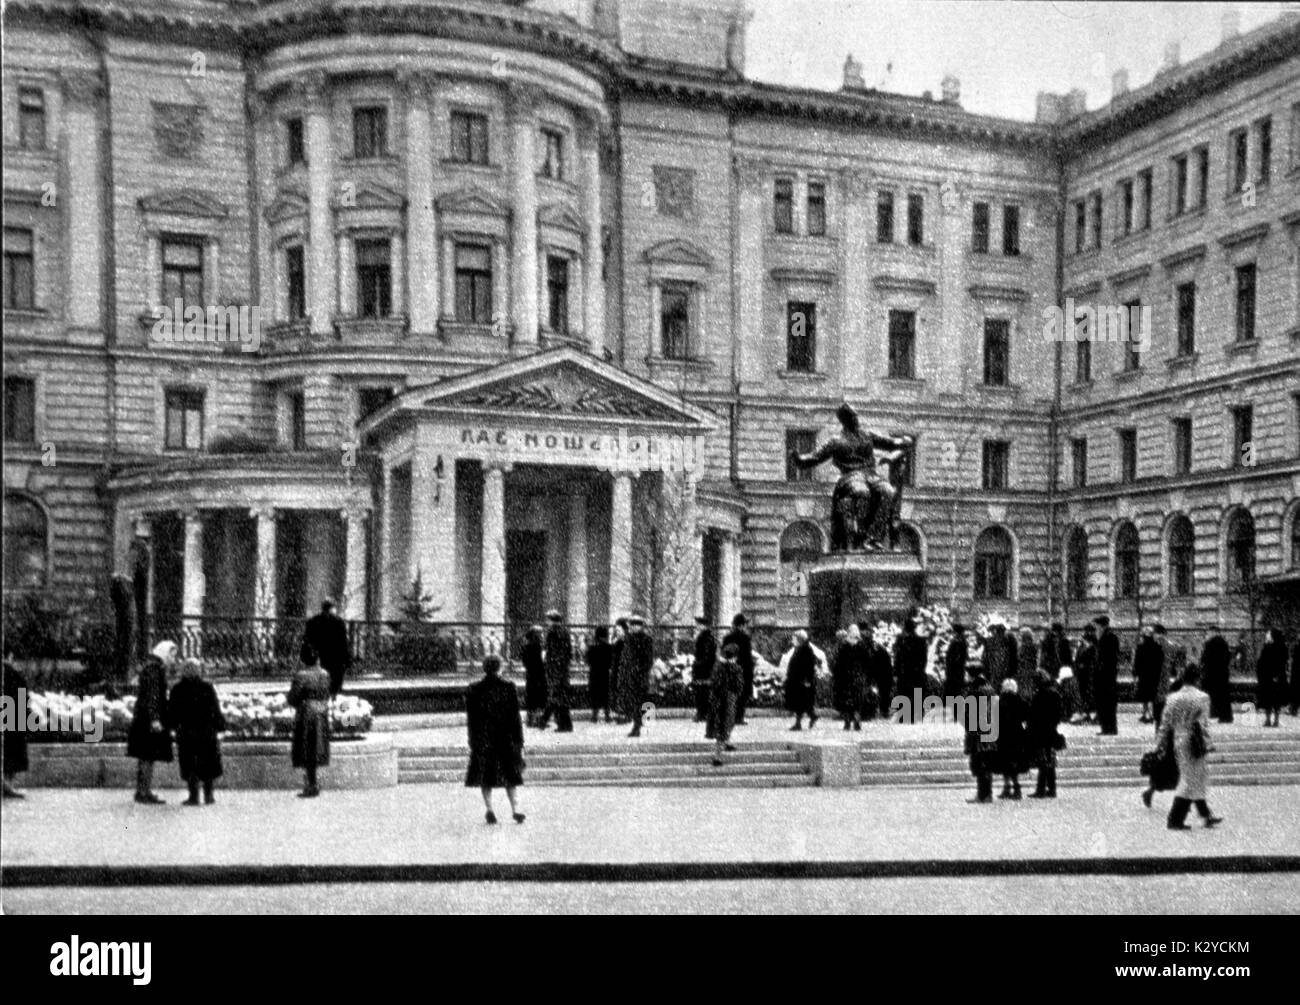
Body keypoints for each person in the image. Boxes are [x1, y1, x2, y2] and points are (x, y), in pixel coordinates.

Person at [1160, 664, 1223, 830]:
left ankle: (1205, 814)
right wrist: (1208, 743)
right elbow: (1203, 724)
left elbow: (1165, 723)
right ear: (1197, 678)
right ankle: (1175, 818)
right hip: (1195, 741)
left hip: (1178, 739)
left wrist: (1160, 743)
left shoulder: (1173, 698)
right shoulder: (1202, 697)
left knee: (1193, 776)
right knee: (1190, 779)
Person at [465, 655, 525, 825]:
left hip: (484, 738)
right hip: (505, 738)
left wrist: (472, 740)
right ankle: (516, 810)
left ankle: (490, 809)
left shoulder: (474, 689)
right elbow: (515, 718)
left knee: (486, 777)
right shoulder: (508, 687)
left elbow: (472, 719)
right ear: (500, 668)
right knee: (510, 777)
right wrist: (519, 741)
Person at [166, 658, 226, 806]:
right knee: (208, 762)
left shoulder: (178, 689)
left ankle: (193, 795)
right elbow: (215, 709)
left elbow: (173, 711)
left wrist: (171, 726)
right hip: (206, 731)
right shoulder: (207, 687)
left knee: (189, 764)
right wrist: (220, 726)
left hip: (186, 732)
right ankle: (209, 794)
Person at [127, 640, 177, 805]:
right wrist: (155, 719)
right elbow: (153, 695)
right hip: (148, 721)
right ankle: (143, 792)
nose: (173, 659)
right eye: (172, 655)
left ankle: (143, 791)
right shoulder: (155, 670)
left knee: (146, 756)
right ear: (164, 653)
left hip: (144, 718)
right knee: (147, 756)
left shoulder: (152, 667)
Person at [288, 645, 332, 798]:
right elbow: (327, 693)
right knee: (317, 748)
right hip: (321, 713)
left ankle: (311, 783)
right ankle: (313, 781)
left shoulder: (301, 675)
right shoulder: (325, 674)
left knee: (307, 750)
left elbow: (292, 698)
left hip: (306, 714)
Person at [303, 598, 351, 696]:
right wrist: (347, 661)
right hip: (336, 660)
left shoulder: (313, 621)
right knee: (335, 688)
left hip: (320, 659)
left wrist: (308, 658)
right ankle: (333, 704)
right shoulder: (339, 622)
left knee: (319, 687)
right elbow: (343, 644)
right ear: (333, 608)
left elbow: (307, 641)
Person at [617, 615, 655, 737]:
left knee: (638, 702)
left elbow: (648, 660)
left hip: (639, 677)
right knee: (633, 702)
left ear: (640, 626)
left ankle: (637, 727)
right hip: (629, 676)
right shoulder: (629, 638)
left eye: (635, 625)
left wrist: (637, 670)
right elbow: (625, 658)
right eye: (632, 625)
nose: (633, 628)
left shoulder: (646, 639)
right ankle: (636, 724)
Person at [1027, 670, 1063, 798]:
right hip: (1051, 730)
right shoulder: (1055, 693)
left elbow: (1033, 714)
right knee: (1050, 762)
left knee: (1043, 762)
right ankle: (1052, 789)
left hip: (1040, 732)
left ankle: (1041, 789)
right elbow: (1060, 713)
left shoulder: (1039, 695)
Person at [964, 668, 997, 804]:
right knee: (987, 764)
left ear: (972, 675)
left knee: (979, 764)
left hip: (977, 732)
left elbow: (970, 714)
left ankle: (981, 795)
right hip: (989, 730)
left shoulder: (974, 691)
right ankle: (987, 794)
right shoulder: (990, 688)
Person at [709, 643, 745, 766]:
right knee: (726, 725)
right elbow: (739, 686)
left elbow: (713, 683)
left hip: (717, 700)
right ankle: (717, 757)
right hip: (729, 700)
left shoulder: (718, 666)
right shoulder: (736, 668)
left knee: (721, 725)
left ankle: (726, 743)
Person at [539, 610, 573, 732]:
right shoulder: (566, 632)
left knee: (555, 697)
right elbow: (569, 652)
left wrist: (547, 663)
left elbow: (547, 651)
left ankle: (544, 721)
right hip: (563, 669)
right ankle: (565, 724)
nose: (547, 622)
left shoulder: (551, 632)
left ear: (551, 620)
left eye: (548, 619)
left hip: (554, 669)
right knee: (561, 697)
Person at [2, 652, 29, 799]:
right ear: (11, 656)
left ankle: (6, 784)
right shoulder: (14, 674)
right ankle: (7, 784)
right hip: (12, 720)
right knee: (13, 749)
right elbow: (23, 699)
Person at [996, 679, 1027, 800]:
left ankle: (1007, 786)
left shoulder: (999, 701)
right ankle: (1016, 787)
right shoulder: (1020, 700)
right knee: (1014, 762)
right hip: (1017, 734)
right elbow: (1025, 716)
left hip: (1003, 735)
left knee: (1005, 762)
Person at [722, 614, 755, 726]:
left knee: (731, 693)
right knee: (743, 694)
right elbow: (747, 655)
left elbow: (724, 653)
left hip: (730, 668)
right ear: (741, 625)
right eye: (745, 624)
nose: (745, 626)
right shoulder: (745, 638)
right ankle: (739, 717)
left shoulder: (727, 637)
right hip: (743, 669)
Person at [783, 630, 819, 730]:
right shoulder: (799, 649)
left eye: (794, 638)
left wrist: (807, 680)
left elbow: (809, 667)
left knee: (801, 702)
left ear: (800, 639)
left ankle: (799, 723)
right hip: (796, 680)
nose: (792, 640)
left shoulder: (806, 650)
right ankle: (811, 717)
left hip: (802, 680)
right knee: (802, 702)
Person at [895, 617, 928, 722]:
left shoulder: (900, 639)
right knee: (916, 692)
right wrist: (921, 669)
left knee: (904, 692)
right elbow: (924, 658)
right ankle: (916, 715)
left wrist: (896, 671)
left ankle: (903, 716)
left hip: (904, 672)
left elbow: (897, 657)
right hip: (917, 672)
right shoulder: (921, 640)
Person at [1256, 628, 1288, 728]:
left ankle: (1274, 719)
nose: (1267, 635)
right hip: (1268, 677)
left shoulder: (1278, 647)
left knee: (1273, 699)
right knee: (1270, 699)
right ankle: (1270, 719)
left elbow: (1280, 663)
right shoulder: (1270, 646)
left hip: (1273, 676)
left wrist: (1275, 675)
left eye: (1269, 634)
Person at [1200, 628, 1233, 723]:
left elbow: (1206, 658)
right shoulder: (1222, 642)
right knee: (1222, 695)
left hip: (1213, 674)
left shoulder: (1212, 643)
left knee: (1216, 695)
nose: (1207, 634)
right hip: (1221, 673)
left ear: (1213, 632)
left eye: (1209, 632)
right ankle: (1225, 716)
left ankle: (1219, 715)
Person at [1094, 615, 1119, 736]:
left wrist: (1100, 670)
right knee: (1105, 703)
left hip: (1106, 676)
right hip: (1106, 676)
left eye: (1097, 626)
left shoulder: (1109, 637)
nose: (1096, 628)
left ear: (1102, 625)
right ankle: (1107, 727)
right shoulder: (1105, 637)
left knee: (1106, 703)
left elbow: (1107, 658)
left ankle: (1109, 728)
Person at [1133, 625, 1163, 724]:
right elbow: (1160, 662)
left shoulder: (1140, 647)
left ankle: (1146, 713)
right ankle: (1151, 714)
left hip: (1143, 675)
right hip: (1154, 675)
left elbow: (1137, 662)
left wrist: (1135, 674)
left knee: (1144, 696)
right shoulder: (1158, 646)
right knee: (1152, 695)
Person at [831, 628, 860, 730]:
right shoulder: (860, 647)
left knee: (847, 701)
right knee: (856, 701)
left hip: (845, 678)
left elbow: (838, 664)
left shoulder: (843, 648)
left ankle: (847, 722)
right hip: (857, 678)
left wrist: (836, 676)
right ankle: (856, 720)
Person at [691, 616, 717, 724]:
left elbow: (706, 655)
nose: (696, 627)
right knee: (703, 691)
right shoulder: (707, 637)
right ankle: (703, 713)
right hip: (705, 668)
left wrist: (697, 664)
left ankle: (702, 713)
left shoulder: (705, 638)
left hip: (703, 669)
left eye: (698, 625)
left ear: (703, 626)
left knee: (702, 692)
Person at [864, 624, 892, 722]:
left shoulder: (875, 648)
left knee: (881, 691)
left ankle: (877, 710)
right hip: (879, 672)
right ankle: (880, 710)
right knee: (883, 692)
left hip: (876, 671)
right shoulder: (877, 648)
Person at [585, 626, 613, 723]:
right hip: (605, 673)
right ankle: (607, 715)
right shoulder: (609, 647)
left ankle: (594, 716)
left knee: (595, 695)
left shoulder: (592, 648)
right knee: (606, 695)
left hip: (594, 674)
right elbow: (611, 662)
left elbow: (588, 661)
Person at [520, 625, 547, 729]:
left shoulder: (526, 645)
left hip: (530, 674)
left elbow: (524, 661)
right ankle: (537, 720)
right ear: (536, 635)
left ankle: (530, 720)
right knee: (539, 696)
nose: (542, 635)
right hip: (539, 673)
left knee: (531, 696)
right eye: (540, 633)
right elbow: (541, 661)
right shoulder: (538, 646)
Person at [1073, 623, 1098, 724]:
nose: (1085, 633)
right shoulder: (1082, 642)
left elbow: (1093, 655)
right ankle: (1086, 713)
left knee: (1090, 694)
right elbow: (1078, 654)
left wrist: (1086, 645)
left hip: (1089, 672)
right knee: (1083, 694)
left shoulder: (1094, 642)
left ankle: (1094, 714)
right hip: (1081, 672)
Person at [980, 621, 1016, 690]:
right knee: (1002, 685)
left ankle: (994, 698)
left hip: (993, 668)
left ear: (996, 631)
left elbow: (985, 654)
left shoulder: (991, 641)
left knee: (994, 685)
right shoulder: (1007, 641)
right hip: (1004, 668)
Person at [944, 623, 969, 719]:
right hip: (958, 670)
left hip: (954, 670)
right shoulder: (962, 641)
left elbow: (955, 658)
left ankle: (954, 713)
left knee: (954, 690)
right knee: (957, 690)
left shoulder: (957, 642)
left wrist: (950, 667)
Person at [1152, 624, 1174, 728]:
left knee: (1158, 701)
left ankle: (1159, 724)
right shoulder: (1169, 645)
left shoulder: (1158, 644)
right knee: (1163, 700)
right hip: (1165, 675)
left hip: (1159, 676)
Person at [609, 618, 628, 723]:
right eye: (616, 630)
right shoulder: (616, 640)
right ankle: (619, 713)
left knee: (621, 690)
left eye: (619, 630)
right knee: (616, 690)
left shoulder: (625, 641)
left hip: (622, 668)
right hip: (616, 668)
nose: (617, 632)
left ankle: (623, 714)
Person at [1016, 626, 1039, 703]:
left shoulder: (1022, 647)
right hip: (1031, 671)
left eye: (1021, 634)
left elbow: (1019, 658)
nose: (1019, 636)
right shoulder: (1034, 646)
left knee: (1024, 690)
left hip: (1023, 671)